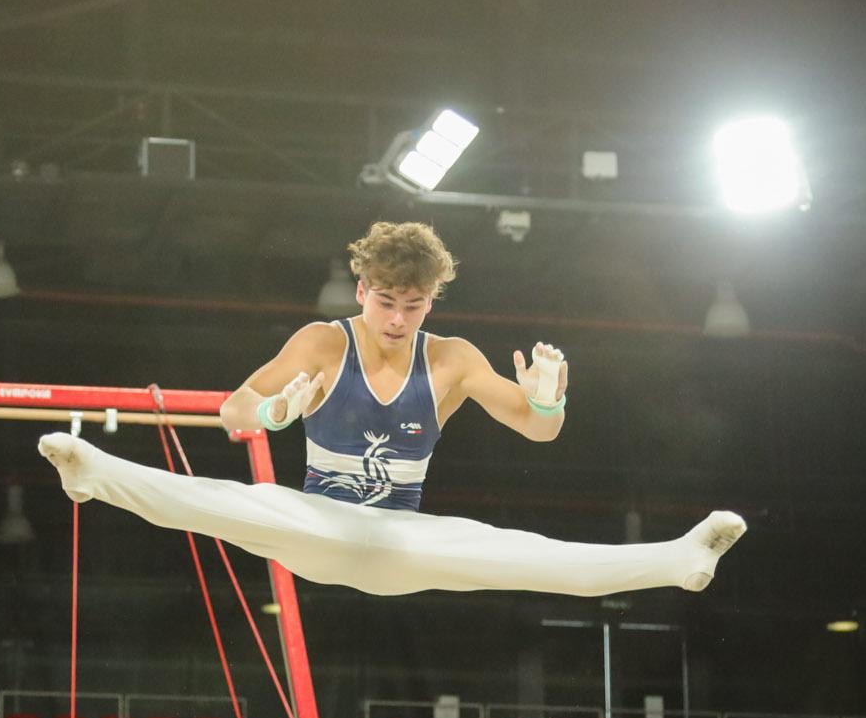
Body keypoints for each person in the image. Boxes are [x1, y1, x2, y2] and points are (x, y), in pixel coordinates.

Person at [39, 220, 745, 598]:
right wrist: (276, 412)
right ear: (360, 290)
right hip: (316, 527)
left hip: (402, 544)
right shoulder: (322, 342)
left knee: (530, 556)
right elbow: (234, 411)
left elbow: (538, 431)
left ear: (433, 299)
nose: (398, 319)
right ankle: (95, 474)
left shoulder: (453, 359)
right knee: (233, 502)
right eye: (385, 302)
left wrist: (547, 396)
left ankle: (678, 559)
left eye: (413, 304)